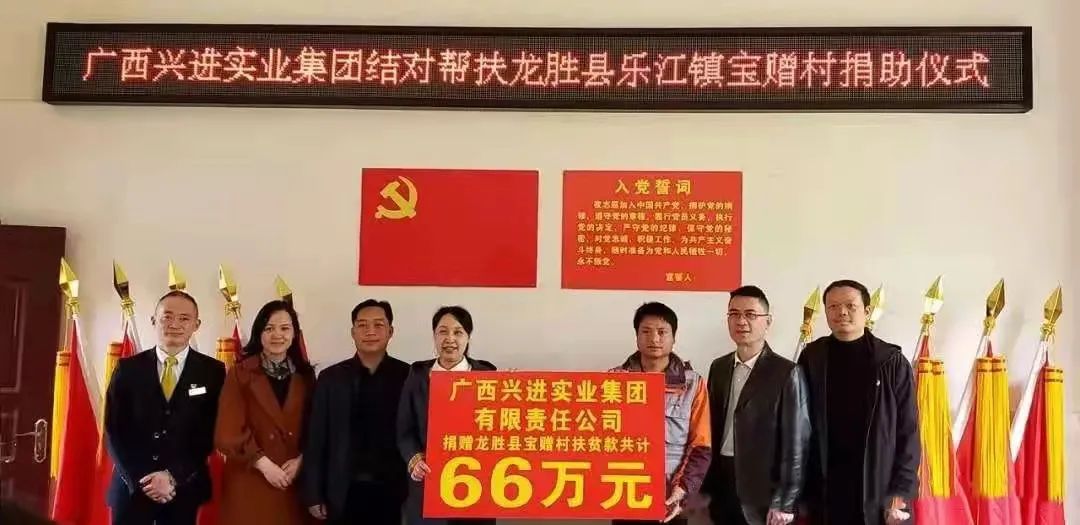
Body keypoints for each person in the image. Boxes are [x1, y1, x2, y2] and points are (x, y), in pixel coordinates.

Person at [797, 279, 919, 525]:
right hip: (824, 487)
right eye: (833, 306)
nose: (841, 312)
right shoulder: (812, 357)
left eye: (850, 305)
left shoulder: (891, 361)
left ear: (867, 311)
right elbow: (797, 425)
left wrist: (901, 493)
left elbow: (908, 432)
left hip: (876, 485)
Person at [104, 291, 226, 525]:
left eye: (184, 318)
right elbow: (114, 430)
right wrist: (141, 479)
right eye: (167, 317)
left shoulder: (212, 372)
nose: (175, 324)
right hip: (132, 487)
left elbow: (210, 431)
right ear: (153, 320)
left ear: (196, 325)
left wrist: (173, 476)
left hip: (184, 487)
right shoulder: (128, 369)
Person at [702, 286, 809, 525]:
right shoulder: (719, 367)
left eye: (750, 314)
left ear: (767, 321)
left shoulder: (786, 372)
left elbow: (796, 443)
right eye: (734, 314)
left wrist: (785, 501)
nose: (741, 321)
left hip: (763, 490)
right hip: (722, 483)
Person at [301, 299, 411, 524]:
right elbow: (316, 439)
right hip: (343, 491)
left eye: (378, 325)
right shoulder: (331, 379)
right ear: (353, 332)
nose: (370, 331)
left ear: (391, 331)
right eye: (362, 325)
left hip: (395, 492)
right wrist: (313, 493)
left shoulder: (409, 376)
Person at [609, 302, 711, 525]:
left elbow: (701, 446)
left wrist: (682, 490)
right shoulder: (614, 380)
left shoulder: (693, 384)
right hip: (624, 492)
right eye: (646, 331)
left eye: (662, 332)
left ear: (674, 338)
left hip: (671, 498)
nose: (654, 338)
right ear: (636, 336)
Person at [214, 300, 315, 524]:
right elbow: (227, 431)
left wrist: (302, 460)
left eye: (284, 328)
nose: (277, 335)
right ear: (259, 333)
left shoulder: (306, 376)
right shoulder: (239, 374)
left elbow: (316, 427)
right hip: (250, 478)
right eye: (269, 328)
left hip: (292, 480)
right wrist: (263, 463)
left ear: (294, 334)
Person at [397, 306, 496, 525]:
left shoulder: (487, 375)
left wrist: (516, 388)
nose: (450, 338)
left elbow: (501, 428)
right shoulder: (418, 375)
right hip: (428, 484)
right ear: (434, 336)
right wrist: (414, 458)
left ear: (468, 337)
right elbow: (404, 429)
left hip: (476, 486)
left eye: (458, 332)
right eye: (443, 331)